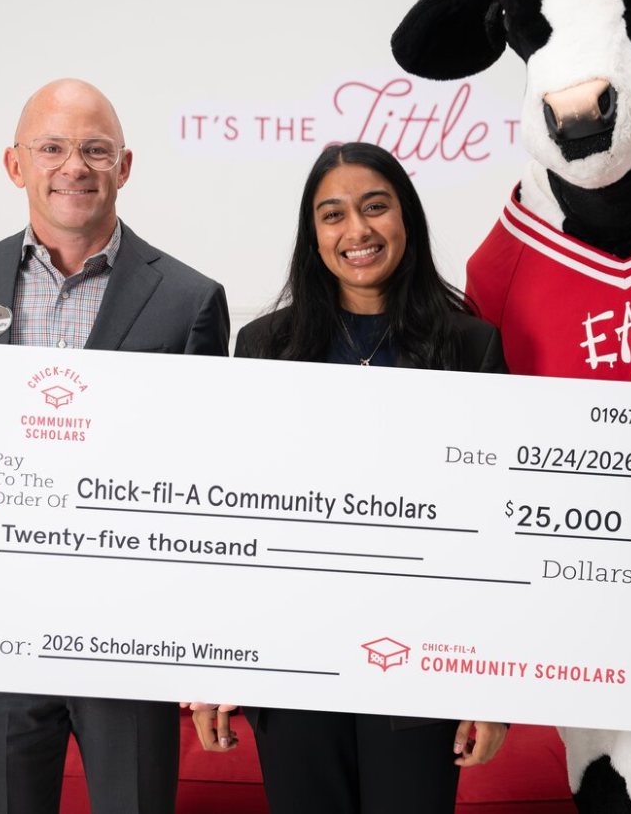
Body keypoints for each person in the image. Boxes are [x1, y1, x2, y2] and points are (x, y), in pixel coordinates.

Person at [0, 78, 229, 813]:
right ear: (16, 165)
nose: (75, 166)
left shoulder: (189, 299)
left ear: (125, 167)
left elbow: (206, 466)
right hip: (1, 619)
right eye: (53, 148)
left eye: (96, 150)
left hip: (128, 623)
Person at [189, 141, 507, 814]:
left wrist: (492, 687)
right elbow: (234, 517)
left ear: (406, 219)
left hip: (422, 665)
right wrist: (217, 663)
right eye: (332, 215)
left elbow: (494, 526)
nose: (356, 231)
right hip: (293, 662)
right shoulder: (264, 348)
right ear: (313, 235)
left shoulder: (470, 346)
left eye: (374, 208)